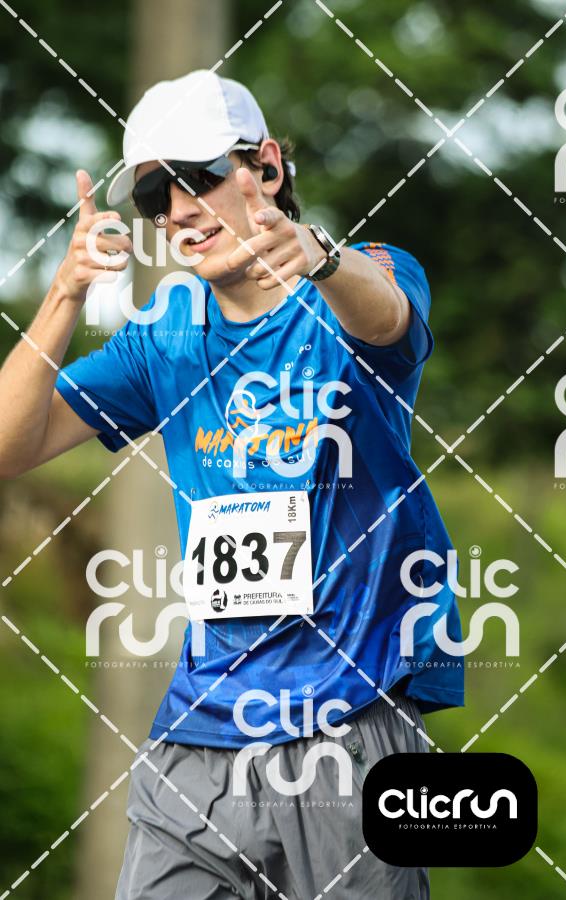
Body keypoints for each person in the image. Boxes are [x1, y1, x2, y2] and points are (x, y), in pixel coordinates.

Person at [0, 70, 463, 899]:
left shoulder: (364, 280)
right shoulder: (164, 339)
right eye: (155, 196)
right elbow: (8, 447)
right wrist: (65, 294)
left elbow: (387, 318)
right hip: (199, 738)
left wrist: (320, 257)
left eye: (200, 177)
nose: (179, 210)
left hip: (349, 729)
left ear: (268, 167)